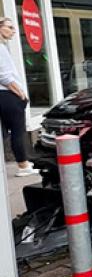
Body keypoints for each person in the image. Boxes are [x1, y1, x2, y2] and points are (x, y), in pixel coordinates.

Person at [0, 18, 39, 177]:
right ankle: (23, 166)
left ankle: (23, 163)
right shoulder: (0, 48)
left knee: (4, 132)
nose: (13, 31)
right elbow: (4, 76)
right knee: (18, 131)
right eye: (9, 27)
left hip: (4, 95)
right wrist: (21, 94)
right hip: (8, 94)